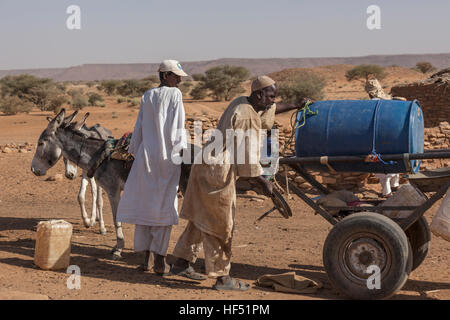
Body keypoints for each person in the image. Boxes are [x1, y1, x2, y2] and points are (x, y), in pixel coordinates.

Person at [169, 76, 308, 290]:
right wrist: (262, 181)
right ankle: (223, 278)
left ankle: (180, 262)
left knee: (201, 218)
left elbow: (268, 112)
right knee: (221, 226)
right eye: (271, 96)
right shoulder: (246, 117)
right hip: (217, 172)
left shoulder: (242, 102)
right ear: (259, 94)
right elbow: (247, 157)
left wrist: (295, 105)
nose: (273, 101)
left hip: (205, 164)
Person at [116, 59, 188, 275]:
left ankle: (145, 260)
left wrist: (134, 153)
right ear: (165, 75)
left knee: (145, 207)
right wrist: (181, 152)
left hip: (145, 159)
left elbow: (138, 127)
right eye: (176, 76)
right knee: (164, 207)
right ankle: (159, 261)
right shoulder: (175, 95)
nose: (179, 80)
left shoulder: (147, 95)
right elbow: (178, 128)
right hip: (166, 160)